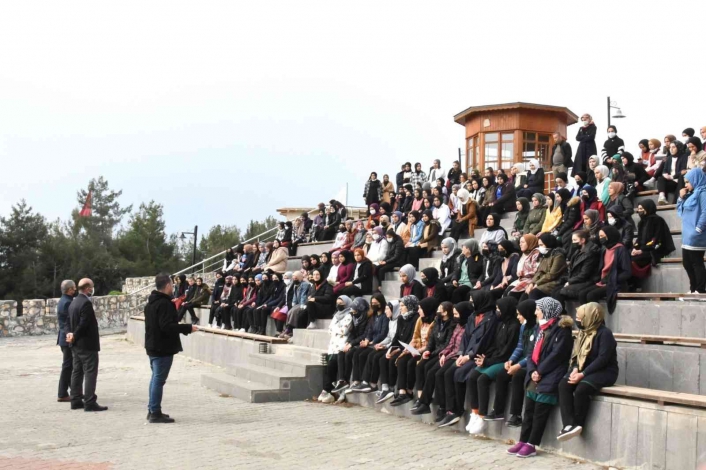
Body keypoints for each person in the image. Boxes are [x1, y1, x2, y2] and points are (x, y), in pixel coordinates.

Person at [506, 298, 573, 458]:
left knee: (540, 413)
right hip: (535, 375)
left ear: (547, 310)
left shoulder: (562, 330)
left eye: (538, 309)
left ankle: (532, 444)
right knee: (528, 410)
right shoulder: (539, 328)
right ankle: (523, 440)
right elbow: (530, 352)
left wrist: (540, 371)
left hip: (550, 375)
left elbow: (557, 355)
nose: (535, 312)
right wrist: (532, 371)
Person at [555, 302, 618, 442]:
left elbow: (603, 359)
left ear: (591, 316)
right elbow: (578, 355)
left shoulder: (605, 334)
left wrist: (582, 374)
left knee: (582, 388)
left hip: (605, 371)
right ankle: (568, 424)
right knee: (564, 384)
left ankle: (578, 423)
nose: (577, 320)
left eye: (580, 317)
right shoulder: (583, 332)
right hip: (584, 369)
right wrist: (576, 368)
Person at [438, 291, 499, 427]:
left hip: (478, 355)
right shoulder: (473, 315)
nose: (471, 303)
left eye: (473, 300)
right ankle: (451, 410)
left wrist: (469, 356)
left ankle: (458, 410)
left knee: (460, 373)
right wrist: (461, 354)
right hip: (466, 354)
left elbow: (485, 341)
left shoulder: (491, 318)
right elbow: (465, 337)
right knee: (448, 373)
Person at [143, 273, 197, 423]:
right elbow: (166, 326)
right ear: (167, 285)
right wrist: (187, 328)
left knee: (155, 379)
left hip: (153, 346)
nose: (173, 287)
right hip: (162, 348)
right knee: (158, 380)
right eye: (172, 285)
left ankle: (153, 409)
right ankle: (154, 412)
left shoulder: (151, 303)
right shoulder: (164, 304)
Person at [466, 297, 521, 434]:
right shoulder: (500, 324)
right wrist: (484, 357)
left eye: (498, 309)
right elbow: (494, 345)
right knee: (472, 376)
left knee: (482, 379)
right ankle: (475, 413)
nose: (497, 311)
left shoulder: (514, 326)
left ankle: (482, 416)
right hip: (493, 359)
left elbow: (506, 352)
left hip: (504, 361)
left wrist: (488, 362)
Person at [411, 301, 471, 416]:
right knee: (425, 367)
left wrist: (441, 354)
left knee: (436, 372)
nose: (455, 316)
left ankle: (443, 407)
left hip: (454, 356)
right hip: (445, 354)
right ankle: (424, 402)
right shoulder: (441, 322)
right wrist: (430, 350)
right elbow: (437, 340)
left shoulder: (455, 325)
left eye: (457, 314)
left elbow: (452, 345)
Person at [484, 299, 537, 427]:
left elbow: (532, 352)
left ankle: (516, 415)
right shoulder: (524, 326)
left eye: (520, 314)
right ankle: (498, 411)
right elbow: (519, 346)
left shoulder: (537, 328)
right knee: (502, 374)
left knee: (518, 375)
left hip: (532, 361)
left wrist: (518, 365)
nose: (517, 316)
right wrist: (511, 360)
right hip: (521, 360)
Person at [66, 278, 107, 412]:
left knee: (77, 371)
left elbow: (68, 322)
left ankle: (76, 399)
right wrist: (75, 334)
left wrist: (70, 334)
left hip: (76, 345)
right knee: (90, 372)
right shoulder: (85, 303)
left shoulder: (73, 303)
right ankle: (89, 401)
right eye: (92, 287)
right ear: (88, 288)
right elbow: (83, 323)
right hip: (87, 344)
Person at [390, 297, 439, 406]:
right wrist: (410, 347)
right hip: (417, 349)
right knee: (402, 360)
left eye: (420, 308)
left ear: (427, 308)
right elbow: (415, 337)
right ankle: (403, 392)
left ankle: (414, 393)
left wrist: (417, 350)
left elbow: (431, 343)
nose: (418, 311)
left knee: (413, 363)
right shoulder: (420, 320)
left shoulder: (435, 322)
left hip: (427, 351)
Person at [374, 295, 421, 403]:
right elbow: (396, 338)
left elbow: (412, 338)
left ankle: (402, 392)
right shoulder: (401, 318)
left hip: (410, 348)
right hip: (400, 346)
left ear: (409, 306)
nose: (400, 308)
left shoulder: (416, 318)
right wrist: (391, 349)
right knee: (384, 358)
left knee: (400, 361)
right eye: (400, 306)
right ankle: (389, 388)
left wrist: (400, 350)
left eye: (403, 306)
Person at [350, 300, 401, 394]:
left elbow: (395, 339)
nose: (386, 311)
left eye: (387, 309)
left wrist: (384, 346)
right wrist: (380, 344)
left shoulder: (398, 321)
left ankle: (383, 386)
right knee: (369, 354)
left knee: (379, 357)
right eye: (385, 309)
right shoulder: (391, 320)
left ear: (393, 310)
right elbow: (389, 336)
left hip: (396, 347)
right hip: (388, 345)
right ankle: (365, 382)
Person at [579, 226, 632, 313]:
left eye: (602, 236)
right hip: (603, 281)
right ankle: (585, 319)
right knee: (582, 294)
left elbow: (627, 272)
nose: (600, 239)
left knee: (591, 295)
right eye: (599, 236)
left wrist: (611, 278)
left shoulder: (621, 250)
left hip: (616, 283)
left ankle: (597, 322)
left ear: (610, 235)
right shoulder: (605, 249)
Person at [345, 293, 389, 393]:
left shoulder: (384, 316)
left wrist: (372, 342)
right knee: (357, 353)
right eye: (372, 303)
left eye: (376, 303)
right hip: (371, 343)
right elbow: (369, 331)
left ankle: (367, 382)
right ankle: (357, 381)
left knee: (367, 355)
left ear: (381, 303)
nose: (373, 305)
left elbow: (383, 333)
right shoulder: (372, 316)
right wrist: (367, 340)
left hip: (379, 343)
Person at [317, 296, 354, 403]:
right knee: (330, 368)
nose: (339, 305)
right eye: (337, 303)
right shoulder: (336, 316)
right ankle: (327, 390)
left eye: (341, 303)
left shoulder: (349, 315)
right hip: (333, 346)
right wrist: (336, 330)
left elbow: (344, 330)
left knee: (339, 369)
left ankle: (336, 391)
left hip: (342, 345)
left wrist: (335, 329)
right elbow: (329, 330)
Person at [678, 168, 706, 293]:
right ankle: (693, 288)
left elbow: (705, 212)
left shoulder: (703, 192)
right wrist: (680, 198)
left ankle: (700, 290)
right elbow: (681, 211)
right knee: (687, 263)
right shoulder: (692, 194)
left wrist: (698, 228)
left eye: (688, 182)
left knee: (696, 263)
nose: (686, 185)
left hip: (696, 235)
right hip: (687, 235)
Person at [631, 200, 676, 279]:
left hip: (655, 250)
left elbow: (656, 239)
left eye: (641, 209)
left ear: (647, 208)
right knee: (626, 256)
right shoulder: (641, 222)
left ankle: (635, 283)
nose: (639, 211)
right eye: (638, 209)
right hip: (644, 249)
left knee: (633, 260)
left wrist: (642, 250)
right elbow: (639, 238)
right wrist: (635, 248)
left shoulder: (657, 220)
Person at [555, 230, 600, 307]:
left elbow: (585, 274)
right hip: (577, 280)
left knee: (559, 292)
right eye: (572, 240)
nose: (573, 242)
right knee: (554, 290)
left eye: (575, 240)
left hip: (587, 281)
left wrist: (570, 281)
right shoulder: (578, 252)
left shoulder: (591, 253)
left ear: (583, 240)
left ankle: (562, 314)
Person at [521, 233, 566, 301]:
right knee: (525, 294)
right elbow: (538, 272)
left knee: (534, 292)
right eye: (539, 245)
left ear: (548, 244)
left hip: (555, 282)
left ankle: (536, 311)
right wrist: (532, 283)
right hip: (543, 281)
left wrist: (537, 283)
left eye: (541, 245)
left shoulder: (558, 256)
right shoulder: (544, 255)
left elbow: (552, 275)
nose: (540, 248)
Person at [56, 280, 76, 403]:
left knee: (70, 366)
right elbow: (69, 323)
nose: (75, 290)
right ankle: (62, 393)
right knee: (68, 366)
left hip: (64, 338)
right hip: (67, 338)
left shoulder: (63, 300)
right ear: (69, 290)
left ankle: (73, 391)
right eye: (73, 288)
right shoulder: (67, 302)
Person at [506, 234, 541, 300]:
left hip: (531, 280)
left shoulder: (536, 254)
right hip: (522, 279)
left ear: (530, 243)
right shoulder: (523, 254)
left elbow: (537, 271)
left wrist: (523, 273)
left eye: (522, 242)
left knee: (512, 295)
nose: (520, 244)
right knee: (507, 292)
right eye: (519, 242)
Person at [656, 140, 689, 205]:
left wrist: (672, 176)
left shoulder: (684, 156)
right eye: (670, 147)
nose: (671, 149)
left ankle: (676, 202)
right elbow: (664, 170)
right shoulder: (669, 158)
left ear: (679, 147)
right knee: (660, 178)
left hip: (680, 181)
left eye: (673, 147)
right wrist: (665, 175)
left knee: (681, 177)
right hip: (671, 181)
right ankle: (662, 197)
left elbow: (683, 171)